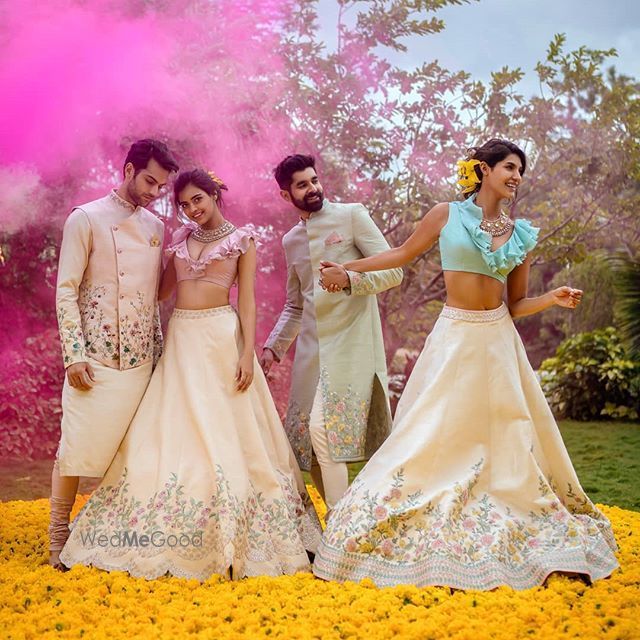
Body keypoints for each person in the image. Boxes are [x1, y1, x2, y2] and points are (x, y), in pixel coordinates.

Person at [312, 139, 619, 590]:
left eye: (521, 171)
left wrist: (551, 299)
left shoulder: (520, 234)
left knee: (505, 434)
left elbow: (514, 304)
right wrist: (350, 271)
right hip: (453, 337)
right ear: (484, 169)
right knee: (432, 430)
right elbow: (400, 254)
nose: (516, 176)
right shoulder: (446, 214)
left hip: (497, 343)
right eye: (509, 167)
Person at [59, 169, 321, 581]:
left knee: (229, 433)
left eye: (198, 199)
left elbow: (247, 302)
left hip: (221, 338)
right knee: (168, 429)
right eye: (183, 204)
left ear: (215, 194)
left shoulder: (242, 240)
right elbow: (159, 290)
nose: (192, 209)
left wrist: (246, 353)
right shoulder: (179, 239)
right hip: (182, 339)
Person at [49, 139, 179, 569]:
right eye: (149, 181)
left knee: (131, 456)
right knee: (75, 447)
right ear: (127, 170)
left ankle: (107, 541)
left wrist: (188, 258)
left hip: (141, 359)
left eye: (161, 186)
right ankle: (56, 541)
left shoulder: (157, 229)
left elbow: (157, 293)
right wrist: (74, 354)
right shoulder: (85, 218)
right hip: (95, 357)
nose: (155, 192)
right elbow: (66, 290)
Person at [260, 154, 403, 514]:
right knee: (313, 445)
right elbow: (296, 305)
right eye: (301, 185)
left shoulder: (351, 215)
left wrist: (351, 279)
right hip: (311, 356)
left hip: (352, 348)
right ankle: (341, 523)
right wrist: (272, 348)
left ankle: (342, 529)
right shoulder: (291, 241)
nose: (312, 189)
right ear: (285, 195)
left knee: (324, 433)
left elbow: (394, 271)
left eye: (314, 180)